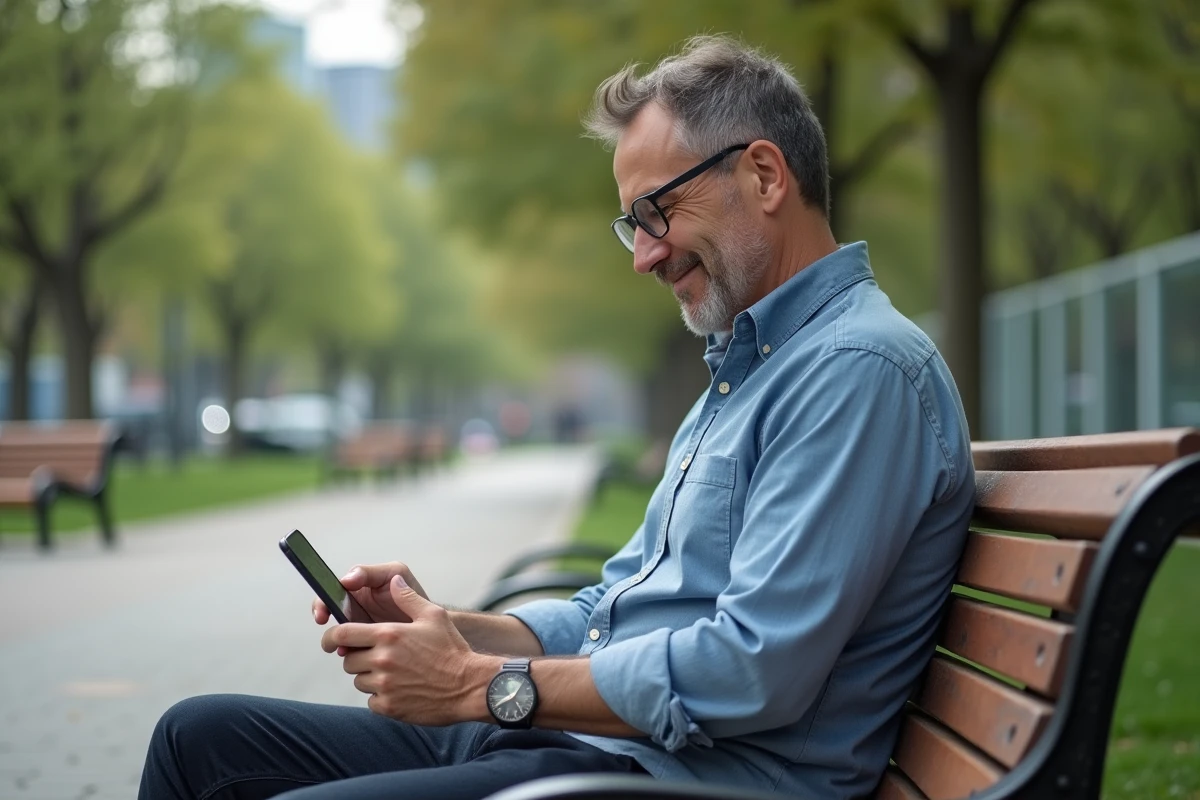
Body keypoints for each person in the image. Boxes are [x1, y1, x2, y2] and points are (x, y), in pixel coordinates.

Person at [139, 35, 974, 800]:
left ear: (763, 174)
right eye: (633, 227)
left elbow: (751, 670)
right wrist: (452, 629)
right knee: (196, 739)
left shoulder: (856, 374)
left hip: (673, 779)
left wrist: (475, 686)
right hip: (590, 748)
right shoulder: (752, 371)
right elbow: (612, 608)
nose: (645, 254)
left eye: (659, 213)